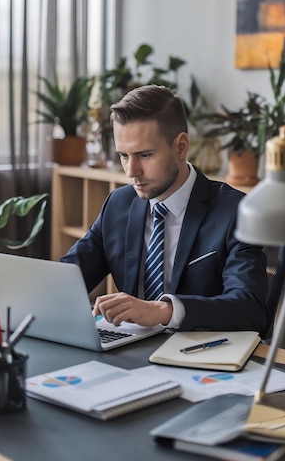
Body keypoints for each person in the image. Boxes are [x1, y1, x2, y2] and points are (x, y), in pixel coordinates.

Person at [60, 85, 268, 333]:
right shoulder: (118, 205)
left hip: (199, 357)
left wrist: (162, 311)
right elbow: (67, 278)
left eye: (145, 155)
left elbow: (250, 308)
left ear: (180, 147)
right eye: (124, 155)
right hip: (128, 352)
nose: (130, 171)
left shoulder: (234, 212)